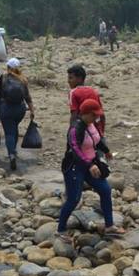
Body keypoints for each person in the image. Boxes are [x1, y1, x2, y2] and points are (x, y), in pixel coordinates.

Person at [57, 100, 123, 240]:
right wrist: (90, 165)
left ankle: (109, 225)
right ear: (85, 114)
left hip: (90, 165)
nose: (96, 118)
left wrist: (106, 151)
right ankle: (61, 229)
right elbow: (75, 150)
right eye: (94, 115)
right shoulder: (75, 129)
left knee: (105, 190)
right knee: (74, 199)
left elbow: (96, 140)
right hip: (75, 167)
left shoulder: (91, 125)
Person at [0, 58, 35, 171]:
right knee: (14, 128)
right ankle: (14, 150)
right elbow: (27, 97)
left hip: (6, 108)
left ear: (8, 67)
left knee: (9, 132)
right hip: (20, 109)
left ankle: (11, 154)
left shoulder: (3, 78)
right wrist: (32, 110)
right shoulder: (23, 79)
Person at [67, 64, 105, 135]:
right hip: (96, 128)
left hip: (83, 128)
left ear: (79, 79)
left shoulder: (73, 92)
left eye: (71, 78)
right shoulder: (93, 91)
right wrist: (101, 131)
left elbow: (74, 115)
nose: (68, 81)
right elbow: (101, 114)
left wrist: (71, 132)